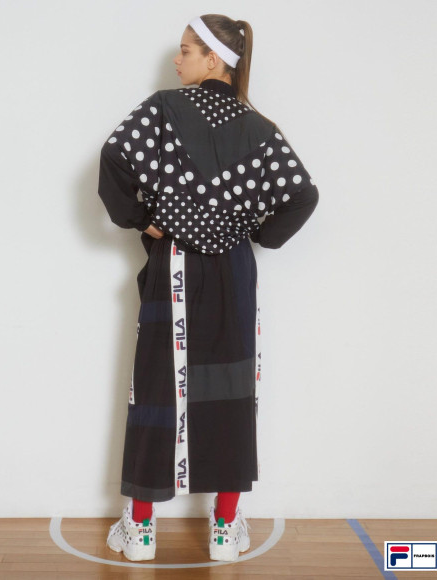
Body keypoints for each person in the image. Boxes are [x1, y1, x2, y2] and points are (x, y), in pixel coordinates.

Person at [99, 14, 319, 562]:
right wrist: (258, 234)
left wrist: (142, 219)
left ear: (213, 59)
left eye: (185, 51)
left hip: (173, 265)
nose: (177, 61)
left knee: (157, 388)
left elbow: (114, 156)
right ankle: (224, 527)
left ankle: (140, 530)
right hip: (231, 273)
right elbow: (302, 195)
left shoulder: (163, 109)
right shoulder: (259, 128)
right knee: (230, 391)